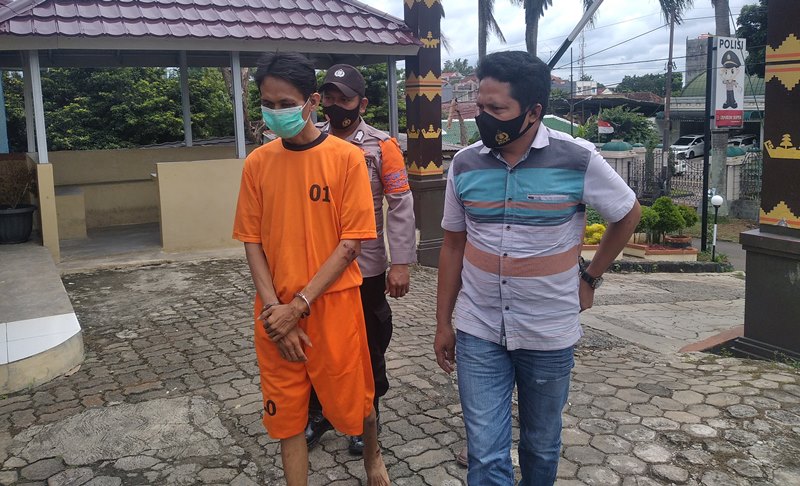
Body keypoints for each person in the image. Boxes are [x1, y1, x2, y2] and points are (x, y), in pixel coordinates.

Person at [434, 51, 641, 486]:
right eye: (480, 106)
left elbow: (627, 213)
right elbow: (453, 245)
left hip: (549, 331)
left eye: (496, 109)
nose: (483, 118)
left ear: (533, 112)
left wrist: (591, 277)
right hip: (479, 327)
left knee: (541, 445)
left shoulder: (578, 159)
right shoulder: (465, 163)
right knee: (485, 452)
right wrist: (443, 323)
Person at [232, 52, 390, 486]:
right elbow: (251, 241)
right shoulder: (258, 164)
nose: (275, 112)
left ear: (312, 102)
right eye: (267, 103)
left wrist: (298, 306)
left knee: (357, 402)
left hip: (331, 307)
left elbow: (350, 245)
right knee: (288, 417)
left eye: (286, 103)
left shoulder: (346, 159)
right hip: (275, 312)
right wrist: (276, 313)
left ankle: (373, 457)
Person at [303, 64, 417, 455]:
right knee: (317, 342)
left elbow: (400, 204)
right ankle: (319, 412)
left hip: (364, 267)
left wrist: (400, 263)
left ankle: (366, 415)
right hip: (317, 265)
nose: (336, 105)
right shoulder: (309, 140)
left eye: (345, 99)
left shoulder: (383, 147)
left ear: (362, 104)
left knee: (368, 343)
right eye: (330, 97)